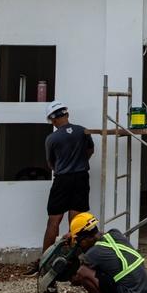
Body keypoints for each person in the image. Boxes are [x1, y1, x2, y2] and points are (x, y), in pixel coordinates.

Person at [30, 100, 95, 274]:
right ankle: (72, 261)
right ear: (67, 114)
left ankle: (45, 262)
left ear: (52, 120)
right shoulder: (83, 131)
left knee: (53, 221)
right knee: (75, 223)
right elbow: (90, 150)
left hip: (62, 180)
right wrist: (79, 164)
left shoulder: (52, 138)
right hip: (81, 178)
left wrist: (64, 168)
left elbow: (51, 163)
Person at [67, 212, 147, 293]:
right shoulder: (115, 233)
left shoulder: (93, 253)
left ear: (83, 242)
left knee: (83, 272)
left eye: (79, 243)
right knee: (117, 272)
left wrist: (74, 278)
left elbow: (80, 275)